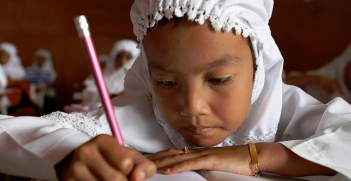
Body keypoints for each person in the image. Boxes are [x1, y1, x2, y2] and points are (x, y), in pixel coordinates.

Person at [0, 1, 350, 181]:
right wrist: (66, 157)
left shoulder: (289, 111)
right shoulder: (137, 117)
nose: (192, 106)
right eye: (166, 82)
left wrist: (250, 155)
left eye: (218, 80)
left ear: (258, 66)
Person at [284, 43, 351, 103]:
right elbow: (283, 81)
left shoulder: (344, 103)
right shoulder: (341, 62)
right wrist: (316, 78)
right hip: (303, 86)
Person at [81, 39, 140, 105]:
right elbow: (87, 93)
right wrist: (108, 96)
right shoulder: (102, 75)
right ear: (113, 57)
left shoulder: (138, 79)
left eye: (127, 58)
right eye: (119, 58)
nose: (123, 62)